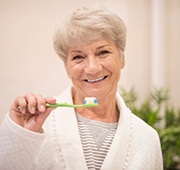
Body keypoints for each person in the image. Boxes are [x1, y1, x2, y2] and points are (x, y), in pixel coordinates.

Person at [0, 4, 163, 170]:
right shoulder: (34, 128)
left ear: (122, 59)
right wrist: (19, 136)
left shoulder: (147, 139)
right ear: (67, 68)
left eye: (103, 52)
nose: (92, 68)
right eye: (78, 56)